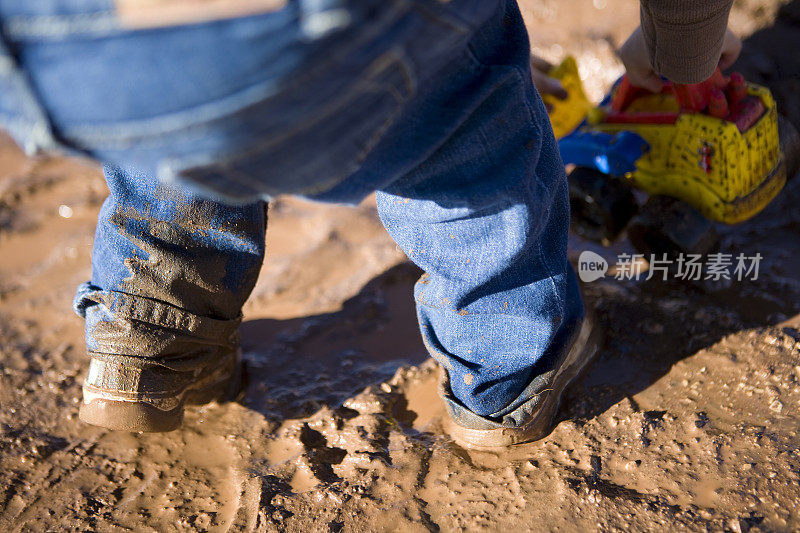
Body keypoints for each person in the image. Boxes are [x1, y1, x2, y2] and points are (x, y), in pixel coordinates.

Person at [0, 0, 740, 447]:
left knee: (168, 116)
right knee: (461, 114)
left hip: (54, 59)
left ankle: (149, 328)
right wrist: (680, 52)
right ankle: (507, 365)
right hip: (312, 33)